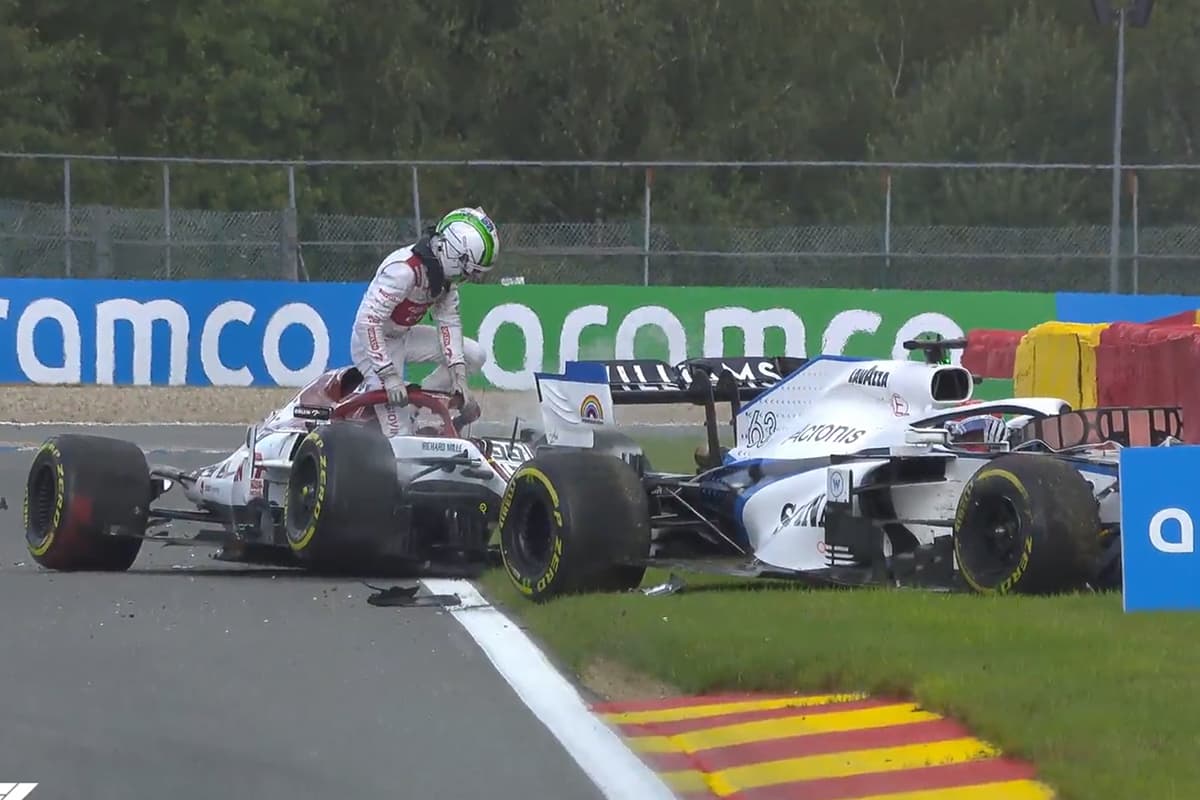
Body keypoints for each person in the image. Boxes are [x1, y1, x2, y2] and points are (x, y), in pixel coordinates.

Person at [349, 206, 499, 436]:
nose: (469, 277)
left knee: (475, 355)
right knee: (400, 437)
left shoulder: (445, 279)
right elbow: (367, 322)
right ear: (454, 252)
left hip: (403, 334)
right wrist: (388, 375)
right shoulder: (404, 271)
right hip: (372, 345)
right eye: (469, 270)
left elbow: (449, 326)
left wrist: (460, 381)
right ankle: (390, 408)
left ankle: (421, 403)